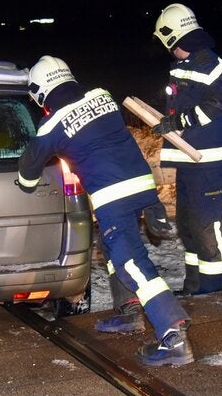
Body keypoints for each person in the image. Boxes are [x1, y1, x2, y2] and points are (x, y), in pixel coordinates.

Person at [18, 56, 193, 366]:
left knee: (131, 262)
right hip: (141, 184)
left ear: (41, 91)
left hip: (114, 197)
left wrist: (28, 177)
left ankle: (173, 333)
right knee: (110, 249)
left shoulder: (53, 123)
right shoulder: (102, 95)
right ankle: (128, 312)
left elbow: (28, 170)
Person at [151, 3, 222, 296]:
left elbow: (216, 104)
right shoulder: (185, 66)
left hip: (207, 163)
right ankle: (194, 288)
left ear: (173, 38)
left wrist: (178, 120)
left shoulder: (210, 64)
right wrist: (167, 123)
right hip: (188, 161)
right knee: (187, 228)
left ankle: (214, 293)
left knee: (205, 229)